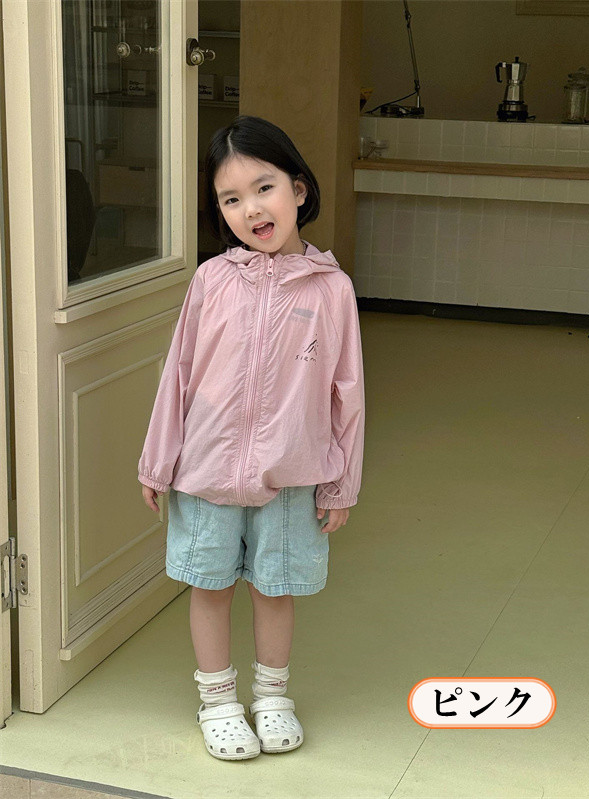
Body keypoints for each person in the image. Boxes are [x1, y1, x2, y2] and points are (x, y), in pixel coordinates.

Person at [137, 115, 365, 761]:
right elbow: (179, 373)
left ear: (298, 188)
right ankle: (217, 701)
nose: (251, 209)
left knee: (275, 587)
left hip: (291, 474)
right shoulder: (211, 280)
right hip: (206, 471)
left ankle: (271, 697)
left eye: (264, 188)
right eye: (231, 199)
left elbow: (347, 392)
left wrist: (340, 483)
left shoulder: (332, 290)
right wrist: (158, 462)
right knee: (209, 587)